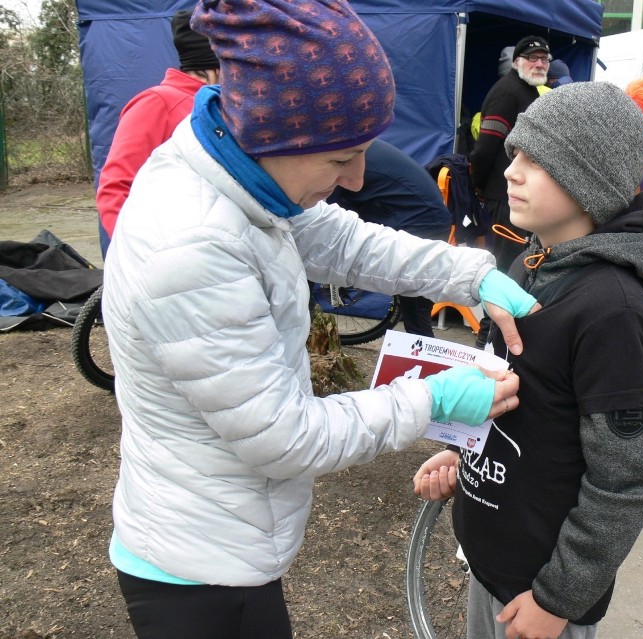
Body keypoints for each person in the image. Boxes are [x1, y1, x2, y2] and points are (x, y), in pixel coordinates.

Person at [102, 1, 541, 636]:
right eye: (341, 159)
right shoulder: (192, 247)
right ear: (275, 132)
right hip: (195, 567)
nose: (359, 177)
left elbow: (341, 240)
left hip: (225, 532)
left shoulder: (238, 167)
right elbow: (287, 437)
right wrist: (433, 397)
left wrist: (471, 276)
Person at [414, 78, 643, 639]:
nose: (510, 171)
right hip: (492, 563)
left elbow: (623, 481)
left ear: (590, 179)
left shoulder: (610, 310)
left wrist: (559, 599)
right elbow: (517, 398)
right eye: (514, 155)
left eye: (537, 160)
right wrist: (464, 455)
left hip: (542, 591)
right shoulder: (528, 265)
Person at [95, 10, 220, 256]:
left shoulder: (226, 106)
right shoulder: (157, 102)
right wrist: (140, 256)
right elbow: (116, 188)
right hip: (168, 256)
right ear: (213, 65)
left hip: (217, 250)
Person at [326, 139, 452, 337]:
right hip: (413, 213)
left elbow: (323, 210)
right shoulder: (353, 144)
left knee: (416, 312)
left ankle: (426, 364)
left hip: (424, 222)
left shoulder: (342, 154)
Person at [471, 35, 550, 274]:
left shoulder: (528, 91)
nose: (539, 64)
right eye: (532, 58)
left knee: (519, 261)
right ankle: (498, 311)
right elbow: (486, 147)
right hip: (502, 195)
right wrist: (479, 188)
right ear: (517, 62)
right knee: (508, 264)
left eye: (544, 59)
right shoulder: (508, 92)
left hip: (516, 192)